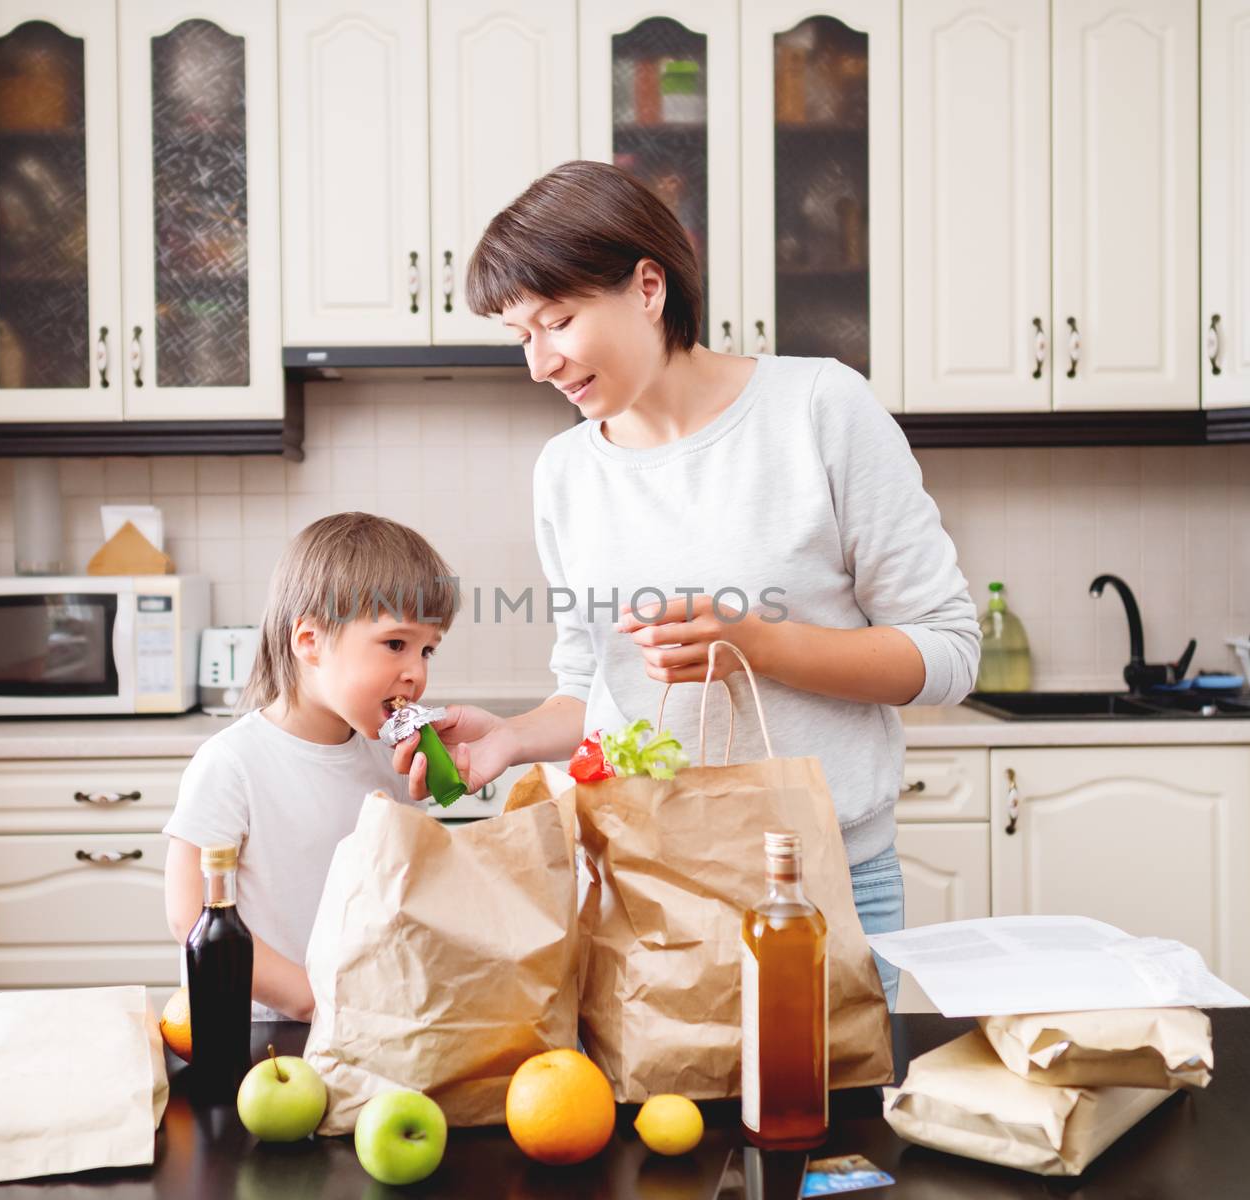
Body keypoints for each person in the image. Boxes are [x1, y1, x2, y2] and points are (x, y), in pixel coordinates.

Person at [392, 160, 979, 1011]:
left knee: (825, 1139)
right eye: (521, 334)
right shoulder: (565, 473)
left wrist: (760, 645)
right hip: (641, 889)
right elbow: (595, 689)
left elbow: (950, 653)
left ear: (648, 287)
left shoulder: (818, 409)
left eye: (557, 320)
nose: (540, 363)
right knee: (651, 1141)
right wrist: (512, 739)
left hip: (817, 883)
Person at [164, 512, 458, 1020]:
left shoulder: (390, 764)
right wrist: (307, 998)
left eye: (427, 650)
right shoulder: (233, 763)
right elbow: (190, 912)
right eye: (396, 644)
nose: (416, 672)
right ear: (309, 640)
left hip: (368, 1023)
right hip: (260, 1034)